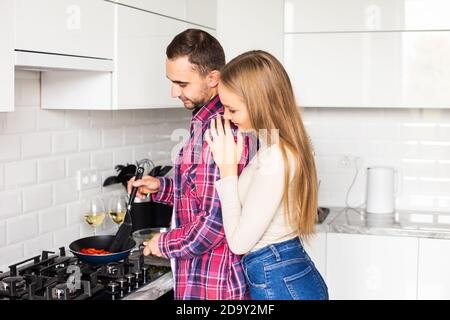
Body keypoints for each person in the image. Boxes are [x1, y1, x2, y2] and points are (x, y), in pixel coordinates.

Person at [127, 29, 249, 300]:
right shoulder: (202, 120)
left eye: (182, 83)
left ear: (213, 78)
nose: (174, 92)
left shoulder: (220, 130)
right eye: (172, 82)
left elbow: (214, 224)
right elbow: (199, 191)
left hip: (216, 287)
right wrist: (160, 187)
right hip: (201, 280)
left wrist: (163, 243)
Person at [204, 50, 329, 300]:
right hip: (285, 276)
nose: (226, 117)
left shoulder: (277, 156)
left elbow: (239, 243)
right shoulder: (275, 146)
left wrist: (227, 169)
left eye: (232, 109)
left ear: (259, 104)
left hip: (280, 282)